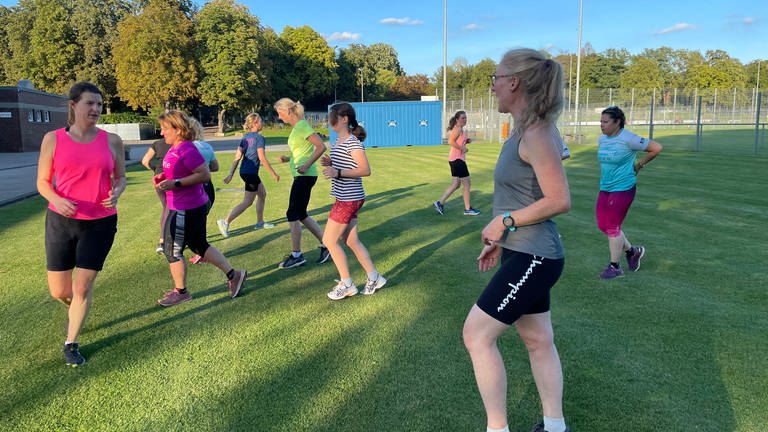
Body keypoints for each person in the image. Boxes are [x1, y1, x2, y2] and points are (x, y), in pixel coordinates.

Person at [462, 49, 573, 432]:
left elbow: (560, 199)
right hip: (521, 251)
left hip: (535, 257)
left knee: (476, 336)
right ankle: (555, 426)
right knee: (538, 339)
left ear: (513, 82)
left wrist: (504, 221)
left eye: (495, 77)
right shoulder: (523, 129)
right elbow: (523, 194)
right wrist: (501, 234)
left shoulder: (538, 132)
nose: (491, 86)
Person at [36, 81, 126, 366]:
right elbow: (41, 181)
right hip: (60, 221)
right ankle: (76, 307)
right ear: (73, 105)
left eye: (99, 104)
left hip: (100, 223)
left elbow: (120, 177)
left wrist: (118, 192)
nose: (96, 109)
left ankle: (71, 343)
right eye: (90, 103)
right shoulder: (53, 139)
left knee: (83, 287)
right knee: (60, 291)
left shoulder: (111, 141)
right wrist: (56, 199)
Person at [154, 110, 246, 306]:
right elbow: (180, 172)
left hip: (184, 208)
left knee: (172, 251)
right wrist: (164, 179)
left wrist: (175, 183)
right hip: (184, 206)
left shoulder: (187, 149)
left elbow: (205, 174)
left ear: (178, 129)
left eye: (164, 129)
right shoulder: (175, 148)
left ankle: (181, 292)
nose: (161, 133)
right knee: (199, 246)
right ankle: (234, 275)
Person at [319, 103, 387, 300]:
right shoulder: (339, 141)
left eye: (333, 116)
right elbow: (346, 164)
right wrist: (331, 163)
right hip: (345, 197)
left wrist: (337, 172)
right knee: (351, 241)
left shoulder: (353, 142)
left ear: (344, 119)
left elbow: (365, 170)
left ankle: (347, 284)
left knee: (329, 240)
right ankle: (375, 278)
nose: (330, 120)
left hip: (349, 199)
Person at [595, 105, 662, 279]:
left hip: (623, 187)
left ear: (617, 122)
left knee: (612, 227)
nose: (601, 125)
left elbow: (656, 148)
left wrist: (639, 164)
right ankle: (633, 252)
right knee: (603, 225)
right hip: (606, 187)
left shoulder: (628, 138)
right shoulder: (602, 139)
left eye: (605, 121)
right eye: (600, 121)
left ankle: (615, 267)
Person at [273, 98, 330, 269]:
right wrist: (288, 158)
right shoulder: (298, 128)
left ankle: (297, 255)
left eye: (280, 113)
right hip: (303, 175)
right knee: (301, 214)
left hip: (305, 176)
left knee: (292, 213)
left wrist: (306, 165)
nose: (279, 117)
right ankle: (327, 245)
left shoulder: (302, 126)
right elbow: (302, 151)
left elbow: (321, 146)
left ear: (288, 111)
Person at [217, 113, 279, 237]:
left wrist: (231, 174)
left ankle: (260, 222)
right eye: (261, 120)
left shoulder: (245, 137)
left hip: (245, 172)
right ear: (255, 123)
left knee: (262, 194)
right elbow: (262, 158)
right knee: (247, 202)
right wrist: (274, 174)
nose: (262, 123)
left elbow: (237, 157)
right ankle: (225, 221)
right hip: (250, 173)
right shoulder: (259, 138)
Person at [433, 110, 480, 216]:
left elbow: (457, 140)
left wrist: (466, 141)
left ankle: (440, 203)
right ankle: (468, 209)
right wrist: (462, 148)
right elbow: (450, 141)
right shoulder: (458, 129)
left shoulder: (461, 130)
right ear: (457, 119)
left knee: (456, 184)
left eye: (466, 117)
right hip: (457, 160)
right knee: (467, 184)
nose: (465, 119)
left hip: (455, 160)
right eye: (463, 118)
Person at [189, 118, 219, 264]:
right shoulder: (207, 146)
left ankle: (200, 251)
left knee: (192, 222)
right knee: (201, 219)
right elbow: (215, 167)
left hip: (195, 188)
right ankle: (201, 250)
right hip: (209, 187)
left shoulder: (186, 148)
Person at [141, 137, 170, 254]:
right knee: (169, 208)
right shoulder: (177, 142)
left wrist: (155, 169)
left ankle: (163, 240)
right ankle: (163, 241)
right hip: (169, 177)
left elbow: (145, 161)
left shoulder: (156, 144)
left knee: (165, 207)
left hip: (158, 177)